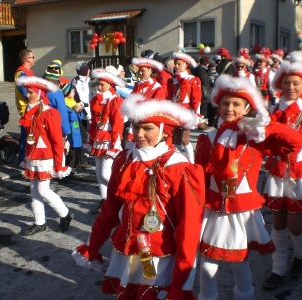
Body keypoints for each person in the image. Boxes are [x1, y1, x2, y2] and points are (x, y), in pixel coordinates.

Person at [72, 93, 206, 299]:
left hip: (160, 254)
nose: (139, 134)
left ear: (164, 132)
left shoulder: (180, 169)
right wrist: (93, 245)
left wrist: (182, 281)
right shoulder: (125, 159)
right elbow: (110, 208)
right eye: (136, 127)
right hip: (126, 249)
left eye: (148, 128)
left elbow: (189, 227)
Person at [194, 75, 302, 299]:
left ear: (246, 109)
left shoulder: (255, 138)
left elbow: (295, 142)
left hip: (242, 211)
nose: (229, 108)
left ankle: (244, 295)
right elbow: (198, 178)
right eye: (225, 103)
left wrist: (268, 125)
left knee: (240, 263)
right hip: (213, 209)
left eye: (236, 104)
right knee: (207, 266)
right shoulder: (208, 139)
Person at [262, 61, 302, 290]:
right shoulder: (272, 112)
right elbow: (264, 144)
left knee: (296, 226)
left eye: (296, 83)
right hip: (277, 174)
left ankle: (301, 255)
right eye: (286, 82)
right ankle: (278, 269)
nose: (291, 87)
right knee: (277, 225)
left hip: (300, 176)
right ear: (280, 84)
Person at [15, 76, 73, 236]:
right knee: (34, 190)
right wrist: (25, 156)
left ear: (39, 94)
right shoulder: (29, 112)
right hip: (33, 156)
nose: (27, 95)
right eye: (27, 92)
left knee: (43, 190)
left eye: (30, 92)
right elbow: (28, 138)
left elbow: (56, 141)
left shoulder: (50, 113)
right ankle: (39, 222)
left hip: (46, 158)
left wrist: (59, 163)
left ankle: (65, 213)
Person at [86, 69, 125, 214]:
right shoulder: (96, 100)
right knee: (98, 172)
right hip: (97, 138)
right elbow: (93, 122)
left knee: (105, 173)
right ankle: (104, 200)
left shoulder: (115, 100)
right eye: (98, 84)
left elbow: (118, 124)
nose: (99, 87)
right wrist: (90, 139)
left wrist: (115, 143)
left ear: (110, 85)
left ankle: (119, 196)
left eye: (102, 85)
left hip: (109, 140)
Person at [167, 52, 202, 163]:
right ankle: (177, 160)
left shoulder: (192, 79)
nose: (176, 66)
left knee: (184, 139)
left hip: (187, 112)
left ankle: (191, 161)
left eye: (179, 64)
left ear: (186, 65)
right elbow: (171, 96)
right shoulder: (173, 80)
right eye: (175, 64)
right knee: (176, 138)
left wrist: (196, 114)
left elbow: (196, 98)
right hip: (175, 111)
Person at [14, 49, 35, 166]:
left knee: (29, 134)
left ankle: (27, 156)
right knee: (27, 134)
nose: (34, 59)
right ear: (27, 59)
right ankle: (23, 158)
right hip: (27, 108)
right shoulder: (21, 73)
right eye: (32, 57)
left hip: (30, 106)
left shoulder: (26, 72)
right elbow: (25, 92)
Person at [63, 84, 89, 170]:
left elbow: (79, 117)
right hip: (71, 129)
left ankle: (79, 161)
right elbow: (68, 117)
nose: (74, 93)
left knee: (78, 145)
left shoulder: (73, 101)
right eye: (72, 91)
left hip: (77, 127)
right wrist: (75, 111)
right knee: (72, 149)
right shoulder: (64, 103)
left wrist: (80, 111)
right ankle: (70, 165)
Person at [72, 61, 92, 150]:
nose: (89, 71)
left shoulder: (88, 80)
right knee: (83, 129)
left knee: (89, 129)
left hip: (89, 107)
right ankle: (83, 148)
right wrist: (80, 103)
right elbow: (75, 93)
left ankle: (88, 145)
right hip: (82, 108)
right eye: (88, 69)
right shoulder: (76, 80)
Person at [192, 56, 213, 129]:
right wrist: (209, 78)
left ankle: (202, 123)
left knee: (205, 108)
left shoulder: (202, 69)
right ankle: (201, 124)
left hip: (205, 91)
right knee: (203, 109)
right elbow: (204, 80)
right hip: (204, 92)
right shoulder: (201, 70)